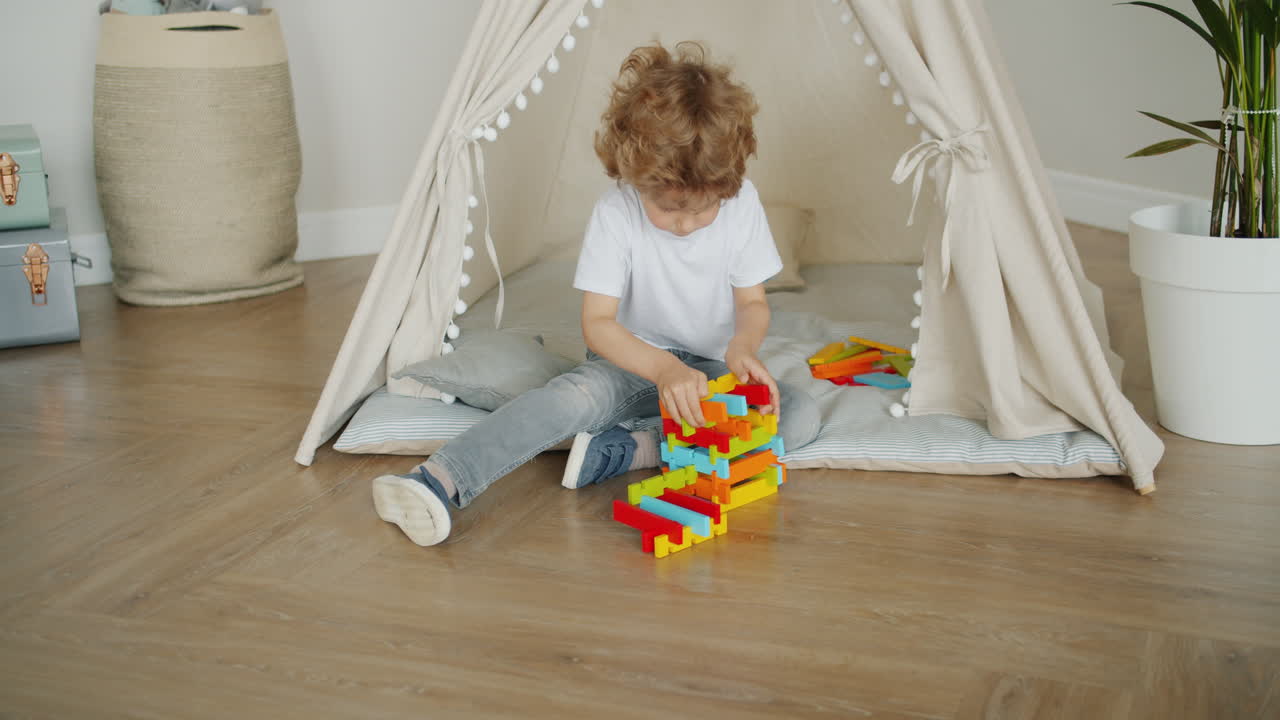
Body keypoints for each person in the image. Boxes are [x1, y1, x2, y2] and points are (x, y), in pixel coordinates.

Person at [372, 41, 821, 547]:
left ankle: (637, 449)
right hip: (629, 359)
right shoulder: (617, 211)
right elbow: (599, 324)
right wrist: (662, 369)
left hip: (706, 370)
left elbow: (752, 303)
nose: (684, 225)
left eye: (701, 210)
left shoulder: (742, 203)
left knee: (798, 413)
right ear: (637, 176)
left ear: (728, 184)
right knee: (572, 397)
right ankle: (438, 479)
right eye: (669, 209)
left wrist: (742, 348)